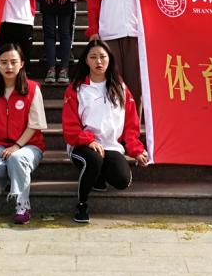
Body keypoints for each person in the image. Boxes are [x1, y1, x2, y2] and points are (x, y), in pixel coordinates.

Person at [62, 38, 149, 225]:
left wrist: (136, 150)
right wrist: (88, 141)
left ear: (110, 58)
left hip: (111, 146)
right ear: (86, 61)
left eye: (102, 57)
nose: (98, 61)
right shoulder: (76, 89)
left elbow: (131, 124)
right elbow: (70, 127)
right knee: (93, 159)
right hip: (82, 145)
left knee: (123, 180)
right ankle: (82, 204)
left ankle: (97, 177)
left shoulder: (120, 87)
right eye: (93, 57)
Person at [0, 44, 47, 225]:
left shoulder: (32, 89)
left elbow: (35, 125)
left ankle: (23, 205)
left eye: (13, 62)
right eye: (4, 62)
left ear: (22, 64)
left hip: (30, 145)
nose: (9, 66)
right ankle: (9, 181)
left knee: (17, 159)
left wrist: (17, 146)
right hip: (0, 144)